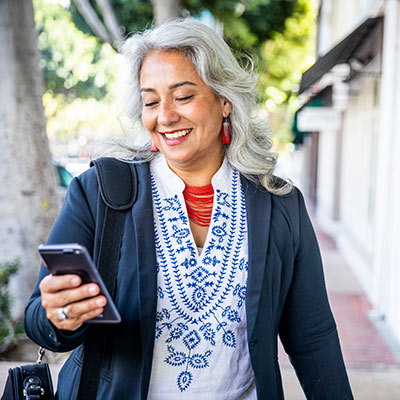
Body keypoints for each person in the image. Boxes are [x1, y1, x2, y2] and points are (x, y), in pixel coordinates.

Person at [24, 18, 353, 400]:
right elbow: (39, 319)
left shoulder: (279, 203)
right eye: (150, 101)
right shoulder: (99, 191)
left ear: (224, 100)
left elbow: (312, 336)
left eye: (182, 97)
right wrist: (61, 315)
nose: (164, 116)